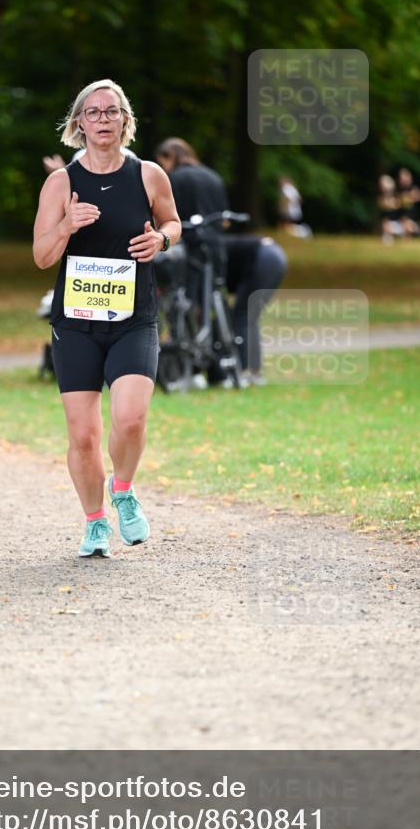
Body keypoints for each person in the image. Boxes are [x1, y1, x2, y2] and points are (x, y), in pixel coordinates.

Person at [33, 79, 181, 558]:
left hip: (133, 318)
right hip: (76, 324)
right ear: (79, 122)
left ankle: (123, 489)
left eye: (111, 111)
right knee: (83, 436)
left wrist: (162, 240)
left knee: (131, 420)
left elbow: (173, 222)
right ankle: (95, 522)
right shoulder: (61, 183)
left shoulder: (148, 175)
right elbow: (41, 256)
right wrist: (66, 224)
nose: (102, 120)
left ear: (125, 120)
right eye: (93, 112)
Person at [156, 138, 287, 385]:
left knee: (199, 305)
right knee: (228, 309)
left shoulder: (175, 178)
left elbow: (171, 217)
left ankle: (204, 367)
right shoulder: (212, 176)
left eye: (163, 162)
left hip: (195, 247)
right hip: (218, 248)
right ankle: (239, 369)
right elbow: (224, 220)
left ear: (169, 157)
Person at [396, 167, 420, 237]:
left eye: (403, 178)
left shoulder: (413, 188)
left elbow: (419, 197)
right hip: (400, 219)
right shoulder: (398, 190)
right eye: (401, 178)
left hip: (412, 219)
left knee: (407, 226)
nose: (402, 180)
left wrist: (408, 198)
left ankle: (418, 229)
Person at [377, 174, 404, 244]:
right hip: (386, 224)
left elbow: (398, 206)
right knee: (385, 224)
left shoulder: (396, 196)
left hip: (397, 223)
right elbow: (383, 205)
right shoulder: (381, 198)